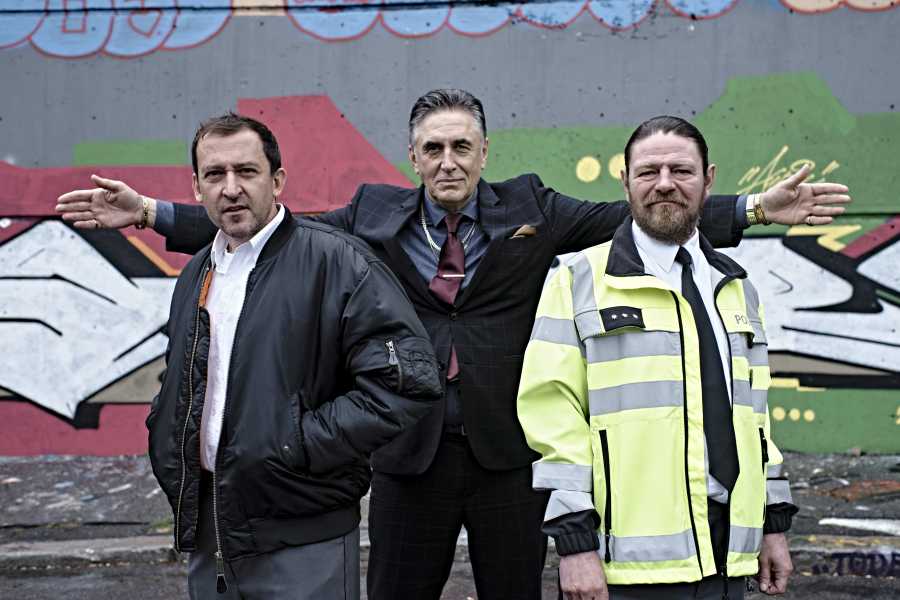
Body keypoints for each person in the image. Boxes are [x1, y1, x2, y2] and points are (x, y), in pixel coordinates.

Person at [56, 90, 846, 600]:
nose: (448, 162)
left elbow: (639, 211)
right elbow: (272, 225)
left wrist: (754, 208)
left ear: (484, 152)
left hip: (508, 456)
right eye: (433, 149)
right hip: (410, 457)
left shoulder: (533, 207)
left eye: (461, 147)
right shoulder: (371, 216)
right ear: (413, 158)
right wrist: (153, 214)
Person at [141, 113, 441, 599]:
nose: (231, 188)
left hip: (306, 534)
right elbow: (185, 377)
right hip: (211, 528)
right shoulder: (197, 273)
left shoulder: (338, 262)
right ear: (196, 187)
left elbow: (405, 382)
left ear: (277, 180)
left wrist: (297, 443)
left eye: (247, 171)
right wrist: (164, 425)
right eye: (215, 175)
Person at [517, 115, 798, 600]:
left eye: (681, 171)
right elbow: (552, 416)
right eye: (648, 172)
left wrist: (771, 525)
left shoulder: (737, 288)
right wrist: (575, 546)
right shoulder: (577, 281)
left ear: (708, 180)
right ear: (625, 182)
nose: (664, 184)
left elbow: (755, 420)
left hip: (729, 555)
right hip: (626, 567)